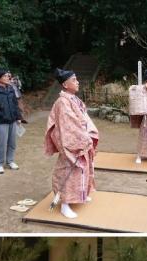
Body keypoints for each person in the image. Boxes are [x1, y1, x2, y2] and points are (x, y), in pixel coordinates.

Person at [45, 68, 99, 219]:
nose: (78, 82)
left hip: (82, 138)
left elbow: (84, 119)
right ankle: (64, 204)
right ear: (65, 84)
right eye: (74, 80)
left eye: (76, 79)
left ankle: (81, 195)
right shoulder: (62, 102)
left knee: (83, 170)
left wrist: (89, 133)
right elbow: (67, 126)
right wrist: (82, 138)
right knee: (69, 172)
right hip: (70, 142)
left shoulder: (75, 99)